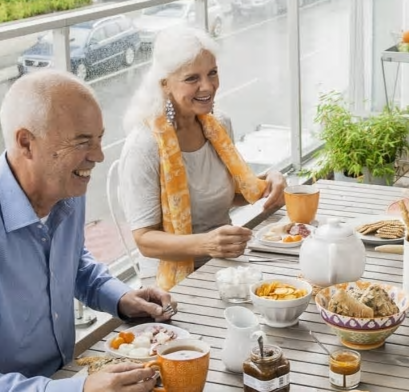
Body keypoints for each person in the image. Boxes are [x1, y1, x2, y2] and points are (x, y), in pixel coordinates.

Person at [0, 71, 177, 391]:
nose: (98, 155)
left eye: (99, 138)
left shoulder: (65, 188)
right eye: (83, 141)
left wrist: (120, 297)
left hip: (63, 375)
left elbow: (70, 261)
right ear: (26, 143)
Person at [120, 26, 286, 290]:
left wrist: (270, 182)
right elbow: (145, 240)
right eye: (191, 78)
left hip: (225, 264)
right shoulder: (144, 145)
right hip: (169, 280)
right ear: (164, 84)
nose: (207, 86)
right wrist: (206, 243)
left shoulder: (218, 124)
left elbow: (227, 193)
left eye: (212, 73)